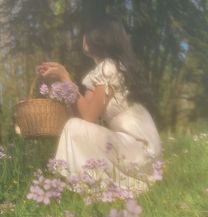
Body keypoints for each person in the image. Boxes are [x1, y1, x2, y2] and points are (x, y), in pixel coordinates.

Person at [36, 15, 162, 197]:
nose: (83, 37)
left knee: (73, 127)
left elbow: (89, 117)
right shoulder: (99, 72)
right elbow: (85, 117)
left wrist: (65, 78)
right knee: (74, 126)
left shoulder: (109, 68)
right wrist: (62, 82)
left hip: (138, 148)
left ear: (98, 38)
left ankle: (84, 184)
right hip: (126, 144)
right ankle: (88, 183)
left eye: (87, 33)